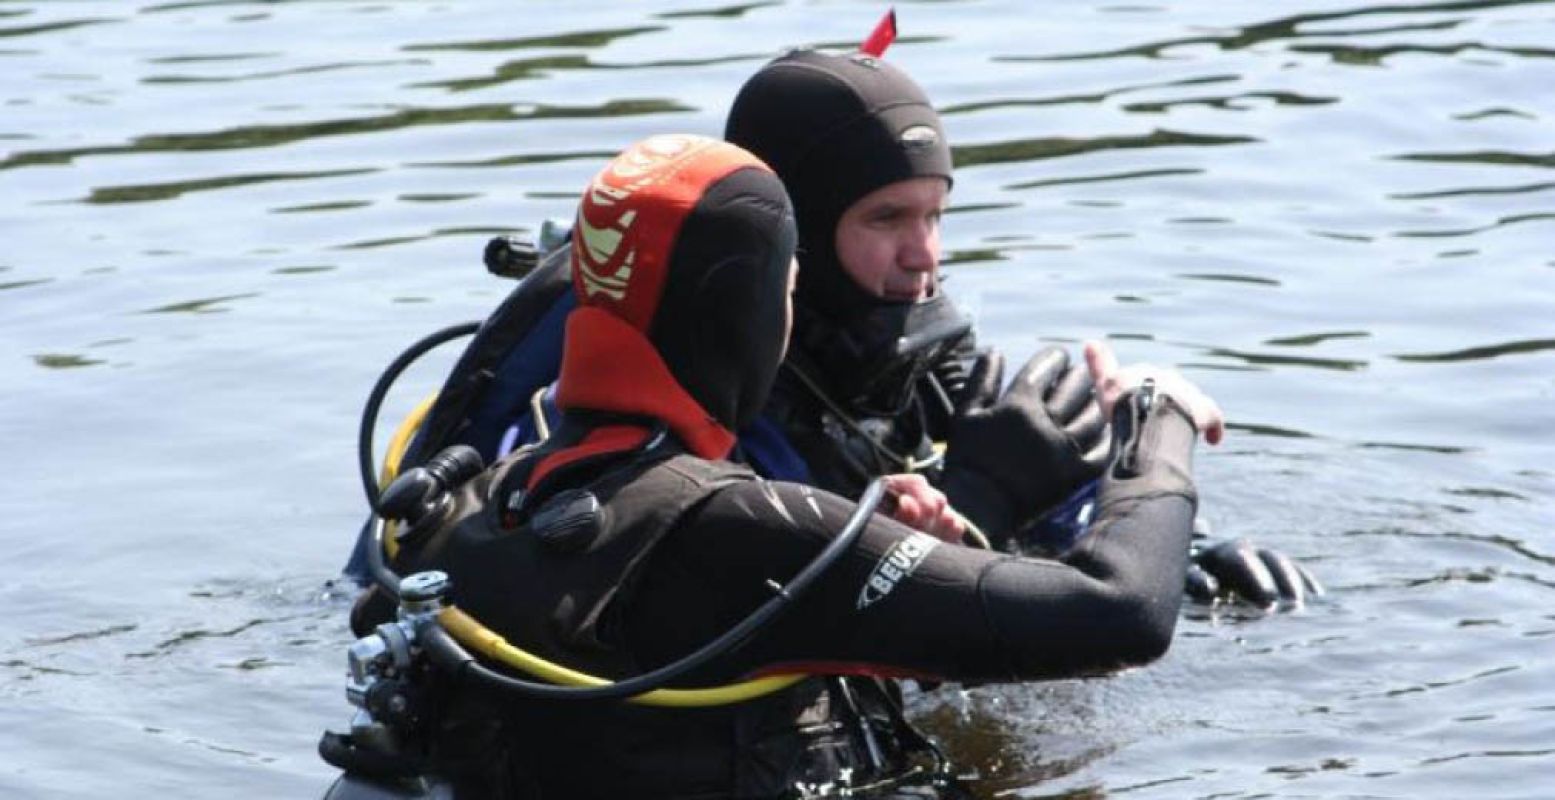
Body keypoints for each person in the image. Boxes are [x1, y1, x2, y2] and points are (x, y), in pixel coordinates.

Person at [346, 133, 1215, 799]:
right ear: (743, 309)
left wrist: (892, 548)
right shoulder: (744, 530)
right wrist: (1158, 421)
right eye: (786, 291)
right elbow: (1120, 615)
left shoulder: (454, 510)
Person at [344, 36, 1316, 609]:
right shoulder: (675, 390)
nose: (923, 255)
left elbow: (1052, 550)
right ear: (791, 238)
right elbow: (696, 591)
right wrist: (976, 499)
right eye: (886, 220)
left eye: (935, 214)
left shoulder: (922, 358)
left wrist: (1174, 550)